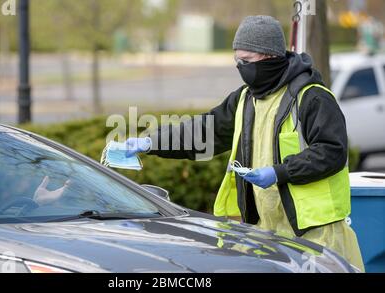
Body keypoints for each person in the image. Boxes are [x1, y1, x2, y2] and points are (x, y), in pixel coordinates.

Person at [124, 15, 364, 271]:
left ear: (270, 57)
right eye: (237, 60)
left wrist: (280, 172)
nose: (240, 67)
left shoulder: (311, 97)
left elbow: (332, 151)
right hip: (266, 235)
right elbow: (203, 132)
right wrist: (152, 142)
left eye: (246, 61)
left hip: (315, 237)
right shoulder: (244, 100)